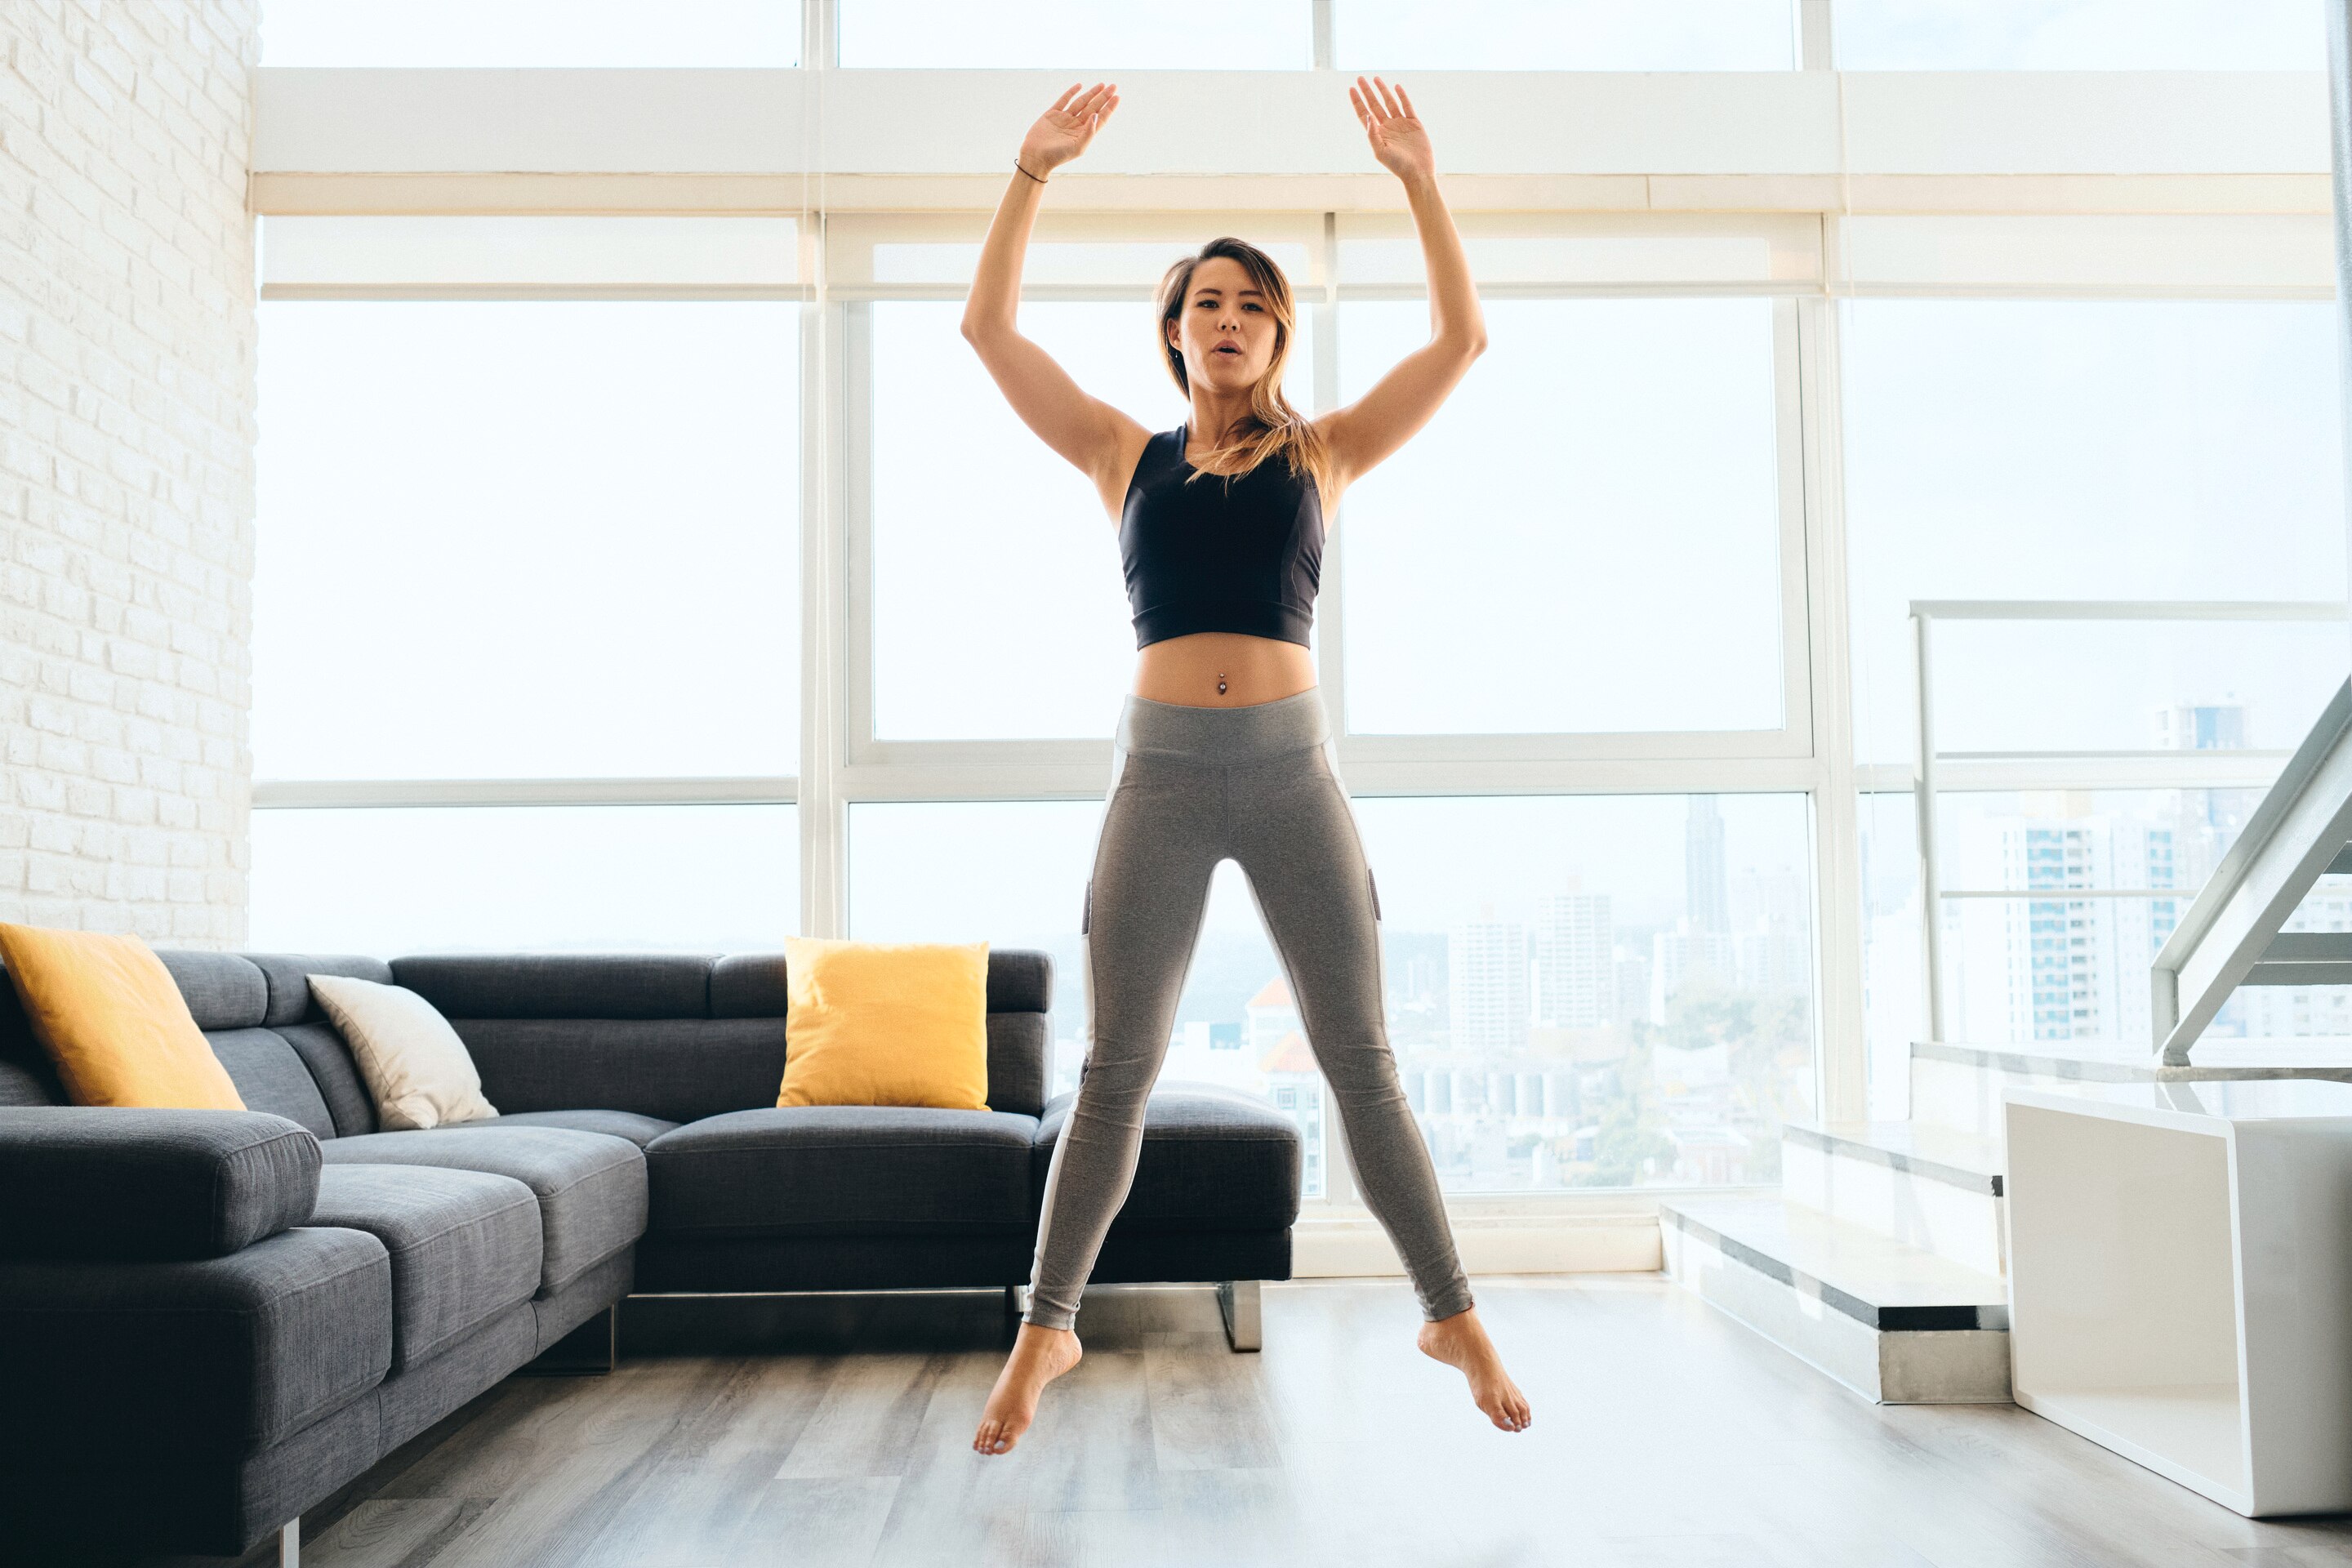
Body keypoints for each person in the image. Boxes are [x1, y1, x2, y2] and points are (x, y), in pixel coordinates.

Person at [960, 76, 1531, 1457]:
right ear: (1176, 333)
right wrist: (1031, 172)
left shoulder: (1323, 456)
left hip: (1289, 776)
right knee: (1118, 1073)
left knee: (1362, 1060)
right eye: (1206, 303)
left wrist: (1418, 178)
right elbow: (987, 330)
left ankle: (1448, 1309)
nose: (1228, 321)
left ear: (1278, 331)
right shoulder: (1121, 455)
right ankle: (1048, 1326)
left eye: (1252, 305)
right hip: (1160, 778)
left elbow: (1462, 339)